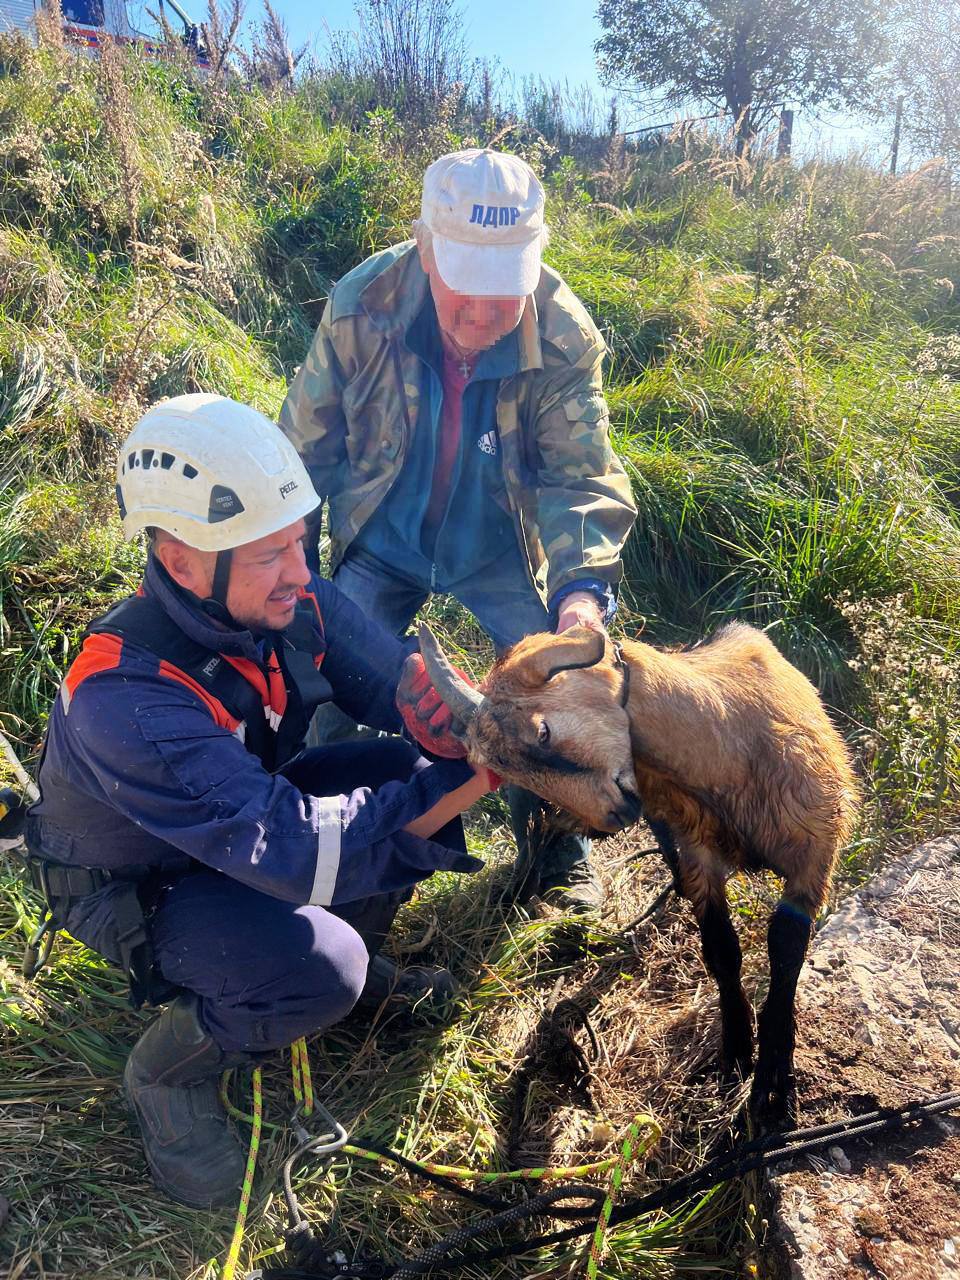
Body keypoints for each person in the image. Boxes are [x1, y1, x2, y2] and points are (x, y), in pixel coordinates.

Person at [24, 394, 495, 1209]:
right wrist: (479, 776)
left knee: (395, 773)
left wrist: (457, 727)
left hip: (240, 822)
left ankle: (331, 976)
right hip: (136, 887)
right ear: (179, 560)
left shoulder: (280, 598)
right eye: (269, 554)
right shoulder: (122, 696)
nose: (301, 572)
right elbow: (295, 850)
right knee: (325, 961)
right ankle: (167, 1078)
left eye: (301, 541)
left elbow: (388, 682)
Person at [279, 148, 637, 911]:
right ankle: (323, 839)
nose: (481, 320)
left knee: (553, 691)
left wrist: (579, 601)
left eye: (501, 299)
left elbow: (581, 476)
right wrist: (296, 573)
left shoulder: (564, 337)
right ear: (426, 252)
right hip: (384, 531)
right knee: (328, 675)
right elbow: (304, 449)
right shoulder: (361, 305)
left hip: (496, 544)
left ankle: (555, 855)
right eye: (463, 295)